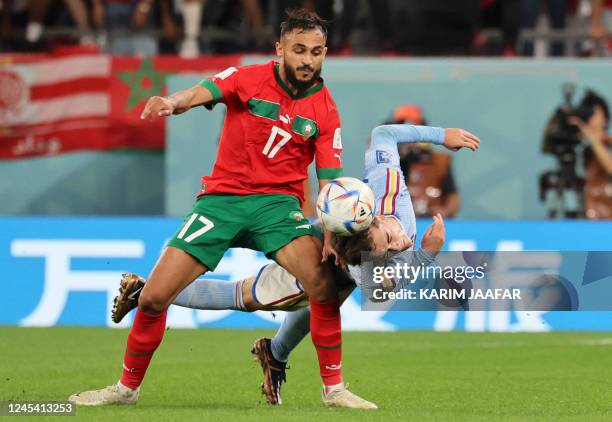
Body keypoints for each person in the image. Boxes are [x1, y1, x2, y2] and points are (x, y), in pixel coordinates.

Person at [69, 8, 374, 409]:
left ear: (325, 52)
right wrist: (174, 101)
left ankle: (333, 389)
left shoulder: (325, 110)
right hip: (221, 202)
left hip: (277, 209)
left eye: (316, 52)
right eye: (299, 50)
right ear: (280, 48)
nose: (307, 60)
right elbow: (202, 91)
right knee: (153, 298)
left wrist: (332, 237)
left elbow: (331, 187)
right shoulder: (248, 78)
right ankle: (126, 389)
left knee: (323, 285)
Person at [110, 122, 480, 405]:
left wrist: (439, 134)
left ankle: (273, 353)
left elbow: (383, 134)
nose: (401, 241)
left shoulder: (383, 184)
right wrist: (425, 253)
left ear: (374, 217)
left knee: (325, 300)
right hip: (316, 254)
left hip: (328, 237)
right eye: (390, 246)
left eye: (392, 239)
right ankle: (148, 292)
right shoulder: (367, 267)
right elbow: (377, 290)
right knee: (246, 295)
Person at [391, 104, 461, 218]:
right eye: (402, 128)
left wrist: (444, 211)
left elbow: (453, 199)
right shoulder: (389, 160)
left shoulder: (440, 161)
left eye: (412, 128)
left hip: (430, 222)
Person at [569, 90, 612, 219]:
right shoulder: (582, 148)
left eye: (594, 113)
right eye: (587, 113)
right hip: (586, 214)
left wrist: (594, 140)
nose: (590, 118)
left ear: (605, 118)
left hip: (607, 217)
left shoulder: (609, 143)